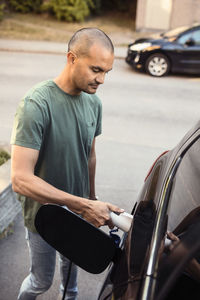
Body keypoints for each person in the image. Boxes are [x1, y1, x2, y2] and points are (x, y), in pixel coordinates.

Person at [10, 28, 124, 300]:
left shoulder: (94, 103)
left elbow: (89, 154)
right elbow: (20, 179)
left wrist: (92, 198)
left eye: (107, 71)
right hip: (43, 216)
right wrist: (83, 204)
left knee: (71, 286)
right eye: (96, 69)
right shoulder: (36, 103)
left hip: (78, 214)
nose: (102, 79)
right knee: (40, 281)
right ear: (72, 58)